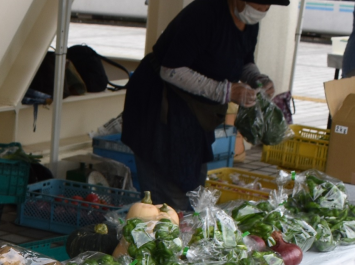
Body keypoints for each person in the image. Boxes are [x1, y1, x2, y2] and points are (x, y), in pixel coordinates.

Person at [120, 0, 287, 212]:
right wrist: (226, 91)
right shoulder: (204, 16)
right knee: (169, 198)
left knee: (193, 191)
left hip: (195, 117)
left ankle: (185, 235)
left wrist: (256, 78)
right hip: (160, 107)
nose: (262, 11)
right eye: (258, 5)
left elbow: (244, 60)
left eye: (267, 7)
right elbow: (171, 69)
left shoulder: (249, 22)